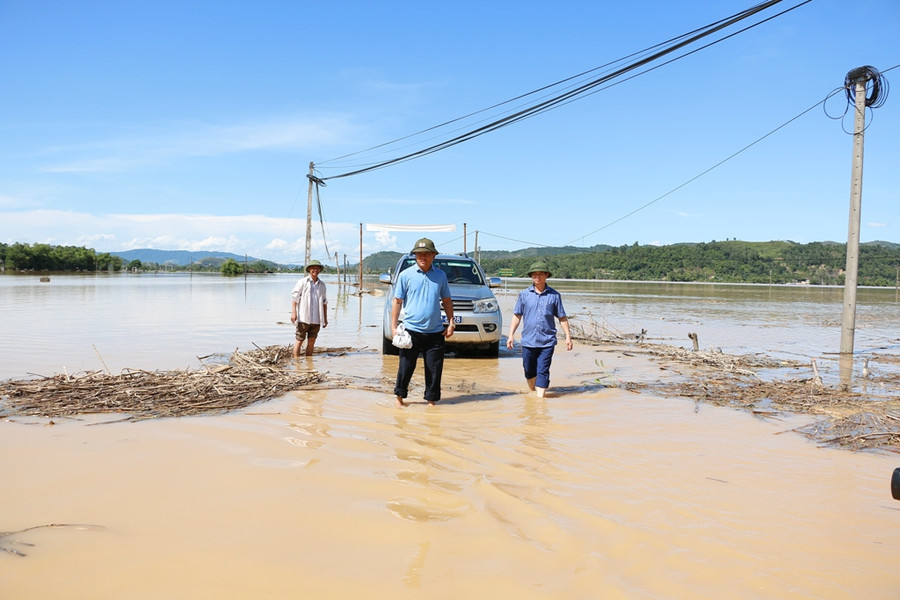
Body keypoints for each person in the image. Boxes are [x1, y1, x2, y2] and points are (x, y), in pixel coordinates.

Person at [391, 238, 455, 408]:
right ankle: (399, 399)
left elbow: (447, 300)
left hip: (435, 332)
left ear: (433, 255)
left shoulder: (440, 276)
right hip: (411, 330)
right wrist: (393, 326)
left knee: (434, 370)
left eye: (426, 254)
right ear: (415, 256)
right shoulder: (406, 275)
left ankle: (431, 402)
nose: (423, 257)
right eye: (419, 254)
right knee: (405, 367)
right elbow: (397, 301)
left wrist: (451, 323)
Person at [506, 261, 572, 398]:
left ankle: (540, 404)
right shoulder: (524, 295)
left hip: (547, 341)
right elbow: (517, 315)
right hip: (528, 341)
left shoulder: (554, 296)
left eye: (541, 274)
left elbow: (562, 318)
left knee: (543, 370)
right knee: (529, 371)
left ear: (546, 275)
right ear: (531, 277)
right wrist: (511, 335)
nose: (537, 277)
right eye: (534, 274)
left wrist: (568, 337)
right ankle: (533, 394)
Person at [290, 259, 328, 357]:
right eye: (313, 268)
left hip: (316, 319)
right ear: (309, 269)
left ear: (319, 270)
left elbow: (324, 303)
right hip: (303, 317)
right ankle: (297, 364)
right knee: (299, 340)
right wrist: (293, 313)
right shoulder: (302, 282)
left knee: (311, 342)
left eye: (317, 268)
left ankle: (308, 363)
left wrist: (325, 319)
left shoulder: (322, 285)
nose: (315, 270)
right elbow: (295, 299)